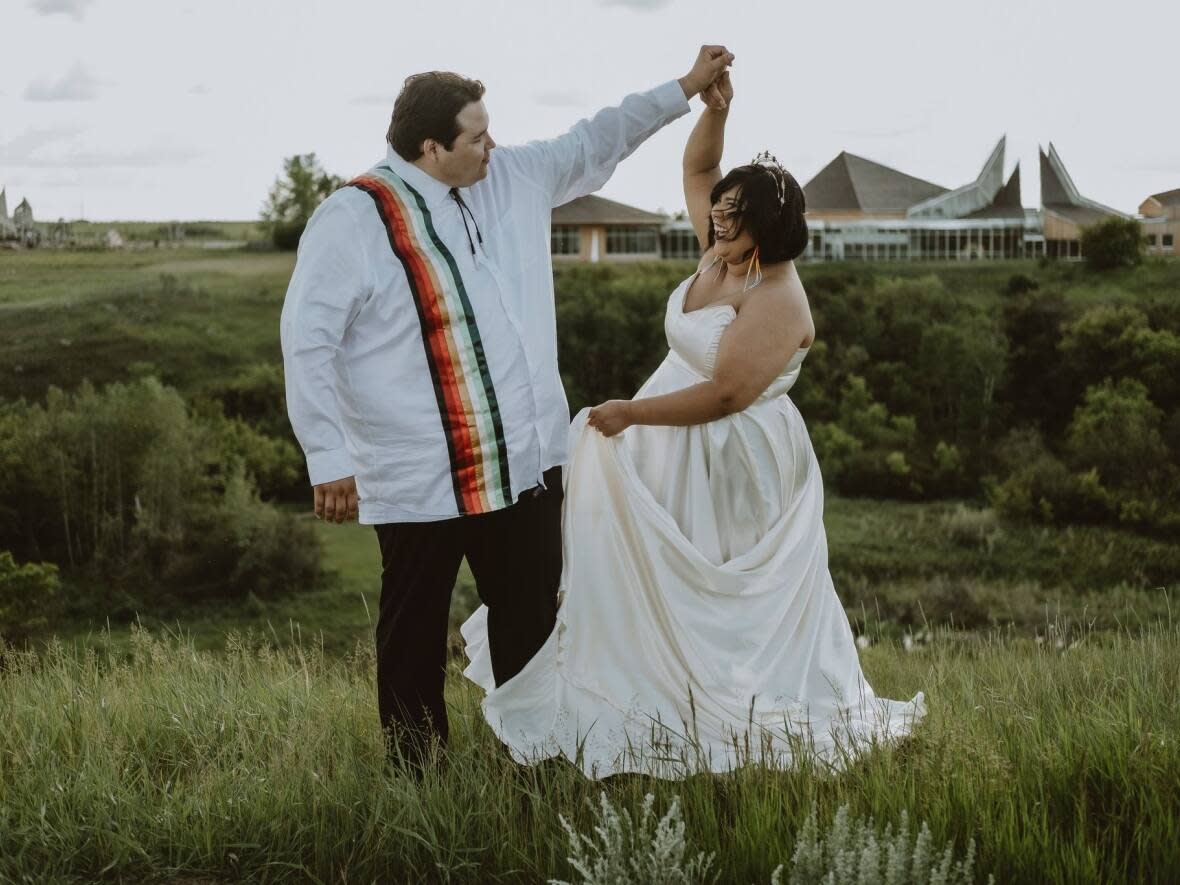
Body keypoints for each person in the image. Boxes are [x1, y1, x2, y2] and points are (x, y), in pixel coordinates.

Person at [461, 69, 926, 779]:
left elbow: (726, 395)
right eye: (719, 210)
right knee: (652, 576)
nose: (716, 217)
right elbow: (699, 166)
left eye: (732, 213)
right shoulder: (718, 250)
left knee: (714, 585)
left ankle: (730, 708)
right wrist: (716, 107)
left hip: (729, 455)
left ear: (763, 227)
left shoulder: (778, 296)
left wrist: (626, 412)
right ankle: (654, 686)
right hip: (665, 439)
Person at [280, 47, 736, 769]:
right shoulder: (353, 218)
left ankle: (537, 759)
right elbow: (307, 342)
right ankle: (417, 772)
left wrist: (684, 88)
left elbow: (597, 137)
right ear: (431, 148)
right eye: (476, 137)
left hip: (524, 463)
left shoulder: (514, 177)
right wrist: (328, 458)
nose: (493, 145)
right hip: (418, 475)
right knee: (413, 631)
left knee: (530, 623)